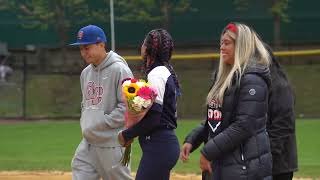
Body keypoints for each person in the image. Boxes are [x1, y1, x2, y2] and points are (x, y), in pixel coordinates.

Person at [180, 22, 273, 180]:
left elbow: (244, 125)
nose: (222, 47)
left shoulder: (252, 80)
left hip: (244, 168)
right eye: (221, 43)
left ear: (241, 46)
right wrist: (193, 139)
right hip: (222, 164)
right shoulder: (223, 78)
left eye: (227, 43)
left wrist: (207, 151)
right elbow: (217, 118)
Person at [69, 25, 133, 180]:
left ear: (101, 44)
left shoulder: (120, 70)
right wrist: (88, 124)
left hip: (111, 141)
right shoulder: (86, 73)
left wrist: (101, 122)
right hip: (89, 140)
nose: (84, 52)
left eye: (87, 47)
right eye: (81, 49)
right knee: (80, 169)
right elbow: (86, 105)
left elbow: (127, 107)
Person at [118, 29, 181, 180]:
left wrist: (127, 134)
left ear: (147, 48)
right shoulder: (163, 71)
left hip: (160, 146)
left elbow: (154, 118)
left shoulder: (157, 74)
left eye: (143, 43)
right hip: (161, 145)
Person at [266, 45, 298, 180]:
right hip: (266, 162)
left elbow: (284, 126)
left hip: (279, 165)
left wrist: (267, 155)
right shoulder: (261, 83)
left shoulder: (279, 85)